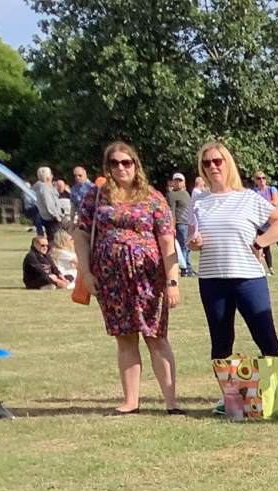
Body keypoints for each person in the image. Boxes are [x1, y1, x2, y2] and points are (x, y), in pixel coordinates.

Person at [189, 139, 278, 411]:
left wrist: (261, 242)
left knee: (265, 336)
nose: (213, 167)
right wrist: (195, 243)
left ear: (228, 163)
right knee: (220, 340)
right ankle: (230, 398)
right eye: (206, 163)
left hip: (248, 277)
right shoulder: (199, 201)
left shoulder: (247, 198)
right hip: (212, 279)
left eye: (217, 161)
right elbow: (193, 237)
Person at [73, 141, 181, 416]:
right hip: (110, 279)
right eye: (115, 163)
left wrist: (172, 282)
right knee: (124, 337)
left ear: (136, 164)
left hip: (148, 278)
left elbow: (167, 241)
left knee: (156, 336)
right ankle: (131, 401)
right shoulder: (96, 196)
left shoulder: (153, 197)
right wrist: (85, 273)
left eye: (126, 162)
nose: (121, 167)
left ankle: (171, 402)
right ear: (107, 167)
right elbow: (81, 234)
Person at [249, 170, 278, 275]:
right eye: (259, 178)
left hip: (273, 222)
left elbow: (275, 202)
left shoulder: (272, 189)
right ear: (255, 180)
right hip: (261, 222)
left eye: (263, 178)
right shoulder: (253, 191)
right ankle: (270, 269)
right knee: (264, 245)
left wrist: (261, 203)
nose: (262, 180)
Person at [166, 173, 194, 277]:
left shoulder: (186, 193)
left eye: (180, 180)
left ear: (184, 182)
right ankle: (184, 269)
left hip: (188, 223)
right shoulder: (171, 195)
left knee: (188, 247)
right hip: (180, 223)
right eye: (176, 180)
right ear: (173, 182)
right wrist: (172, 226)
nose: (178, 182)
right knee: (183, 246)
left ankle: (189, 268)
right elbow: (171, 211)